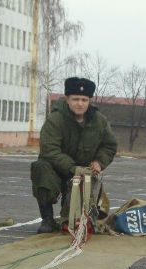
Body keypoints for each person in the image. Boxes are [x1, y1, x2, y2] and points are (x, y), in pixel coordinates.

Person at [30, 76, 118, 233]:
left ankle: (77, 218)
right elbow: (49, 150)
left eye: (84, 99)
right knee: (40, 167)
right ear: (67, 99)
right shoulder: (55, 119)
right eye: (75, 99)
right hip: (57, 171)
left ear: (89, 100)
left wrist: (99, 162)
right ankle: (47, 219)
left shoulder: (99, 121)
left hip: (84, 174)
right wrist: (72, 168)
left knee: (75, 219)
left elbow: (109, 145)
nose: (80, 103)